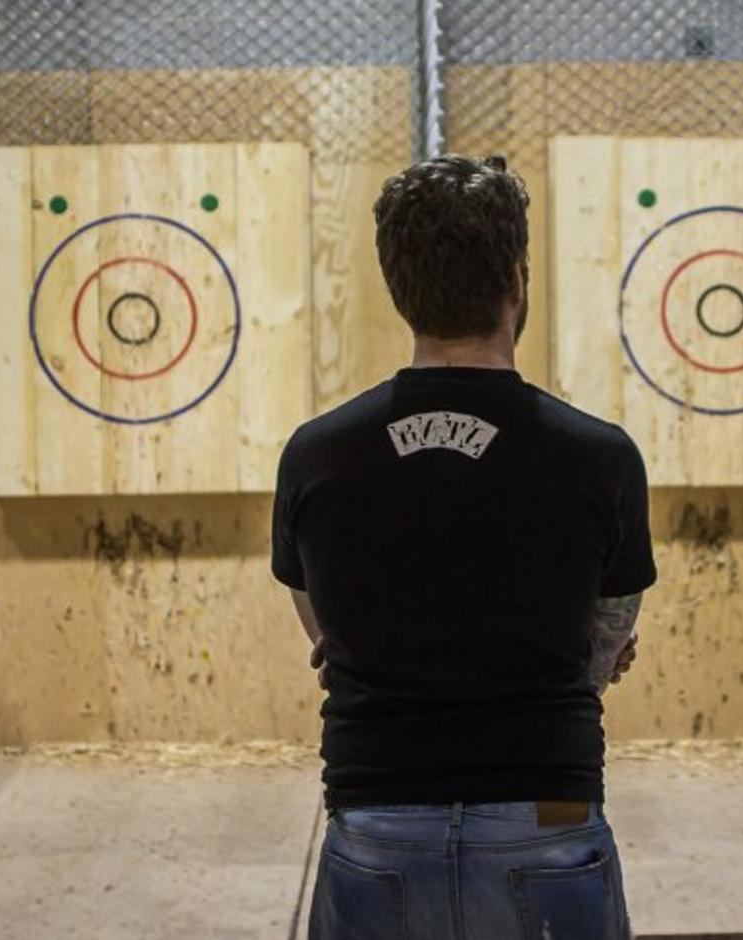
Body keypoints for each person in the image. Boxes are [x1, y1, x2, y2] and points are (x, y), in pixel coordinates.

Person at [271, 155, 656, 940]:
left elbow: (326, 633)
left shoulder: (317, 454)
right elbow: (603, 640)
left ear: (397, 287)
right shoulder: (599, 455)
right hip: (548, 807)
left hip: (377, 813)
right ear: (517, 279)